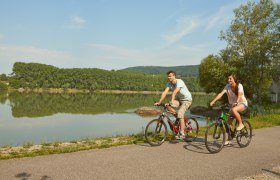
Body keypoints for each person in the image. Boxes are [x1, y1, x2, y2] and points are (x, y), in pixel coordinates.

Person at [210, 73, 248, 145]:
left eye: (230, 78)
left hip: (242, 104)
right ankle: (230, 138)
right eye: (228, 79)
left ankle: (240, 124)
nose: (229, 80)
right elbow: (221, 94)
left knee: (234, 110)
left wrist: (237, 102)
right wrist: (213, 101)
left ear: (234, 79)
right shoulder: (227, 86)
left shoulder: (239, 85)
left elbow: (240, 94)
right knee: (227, 123)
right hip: (233, 105)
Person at [154, 70, 192, 140]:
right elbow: (164, 93)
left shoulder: (179, 81)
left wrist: (171, 102)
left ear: (174, 76)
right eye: (168, 76)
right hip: (179, 99)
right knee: (167, 106)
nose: (169, 77)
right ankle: (178, 118)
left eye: (170, 76)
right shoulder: (169, 83)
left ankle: (182, 133)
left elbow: (174, 93)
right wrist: (159, 102)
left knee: (180, 113)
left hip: (187, 100)